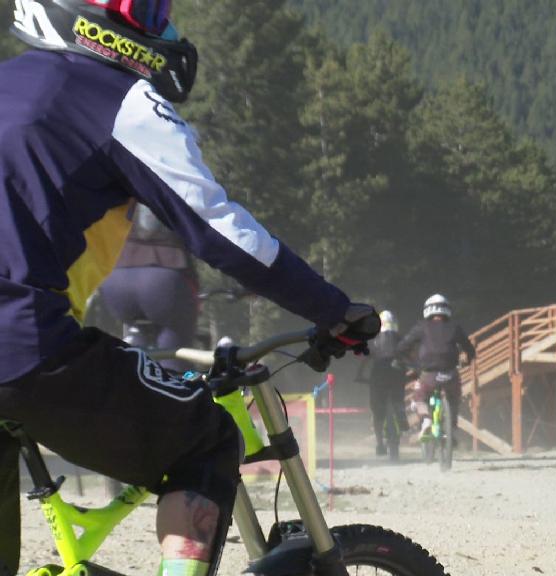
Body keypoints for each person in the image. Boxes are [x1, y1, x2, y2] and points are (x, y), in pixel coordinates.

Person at [0, 2, 379, 574]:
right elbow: (222, 232)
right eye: (147, 7)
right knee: (209, 441)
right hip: (21, 347)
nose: (161, 21)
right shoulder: (119, 100)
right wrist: (333, 309)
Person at [99, 204, 199, 371]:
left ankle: (134, 348)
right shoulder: (171, 195)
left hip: (115, 279)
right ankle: (172, 376)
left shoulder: (127, 191)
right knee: (173, 349)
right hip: (164, 280)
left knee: (137, 349)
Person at [396, 295, 475, 440]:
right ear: (447, 310)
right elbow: (469, 348)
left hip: (428, 375)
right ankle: (451, 428)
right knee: (454, 398)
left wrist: (411, 364)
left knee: (419, 398)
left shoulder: (421, 327)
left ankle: (426, 419)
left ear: (428, 310)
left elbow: (401, 347)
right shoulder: (455, 327)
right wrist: (468, 360)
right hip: (450, 373)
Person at [361, 310, 409, 457]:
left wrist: (360, 375)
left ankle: (379, 443)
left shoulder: (374, 339)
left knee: (377, 412)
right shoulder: (400, 338)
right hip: (396, 374)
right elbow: (407, 355)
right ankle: (401, 415)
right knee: (398, 397)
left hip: (378, 376)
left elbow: (366, 358)